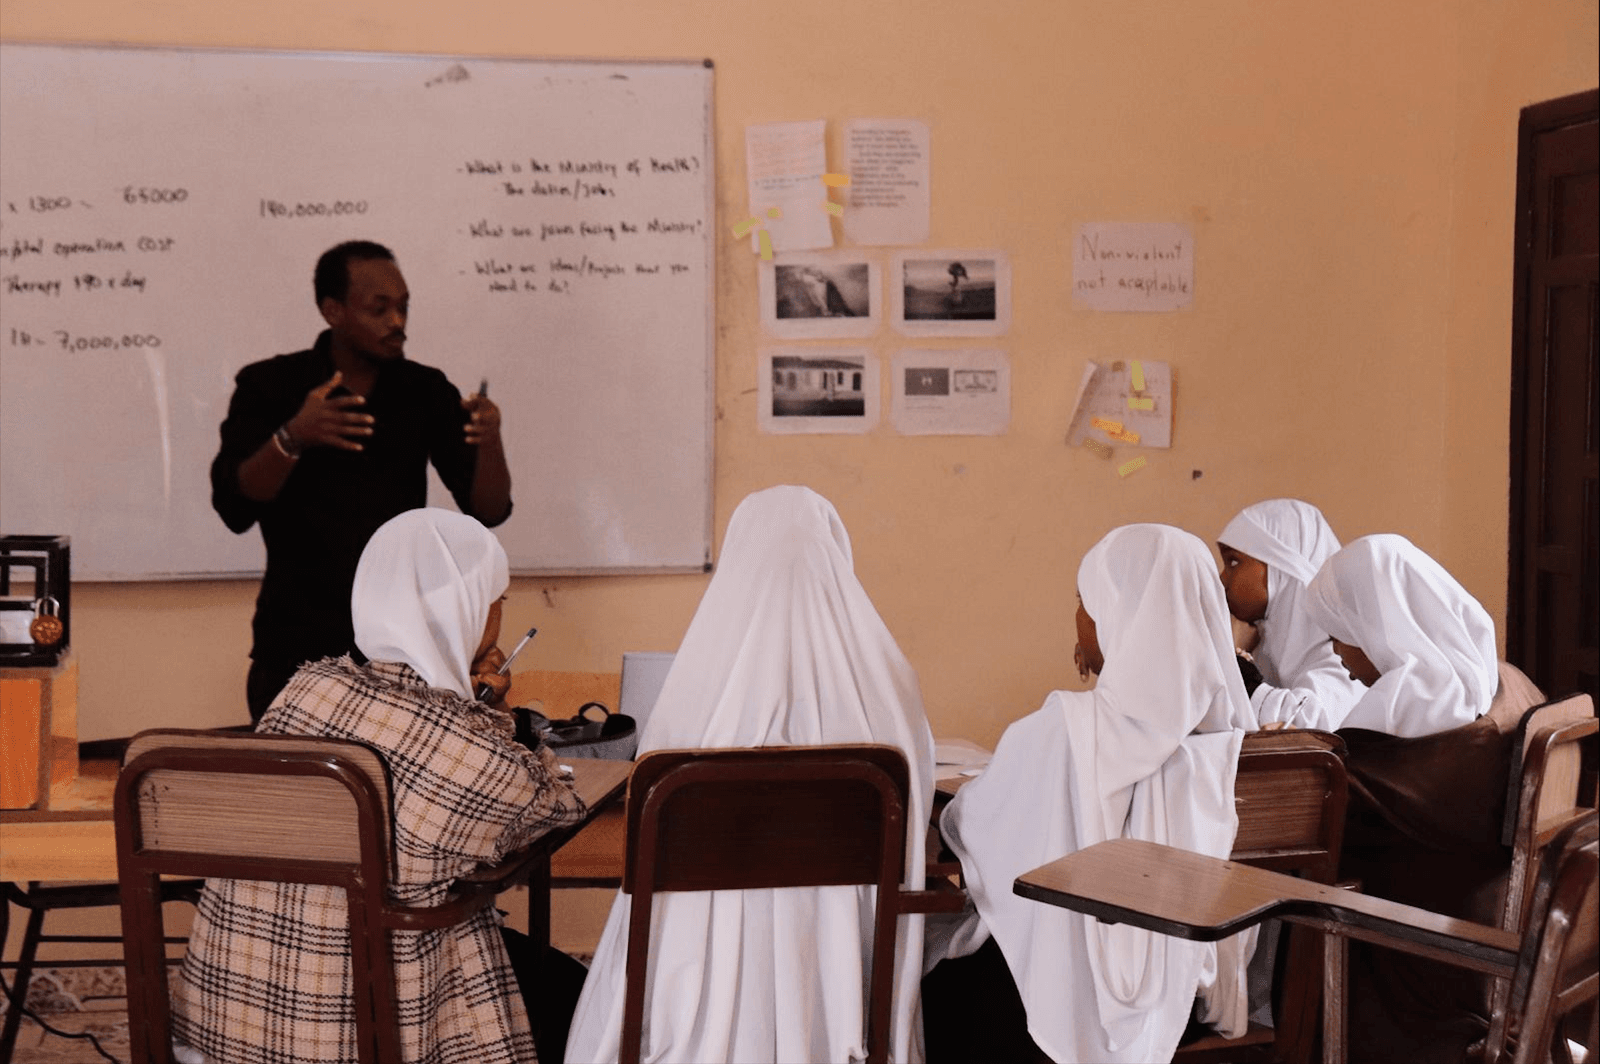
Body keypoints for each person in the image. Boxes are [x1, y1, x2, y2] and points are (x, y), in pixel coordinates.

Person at [171, 508, 584, 1064]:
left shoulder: (305, 689)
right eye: (498, 596)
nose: (502, 611)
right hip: (367, 1019)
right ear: (466, 607)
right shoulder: (469, 748)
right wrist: (497, 717)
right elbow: (556, 805)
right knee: (581, 1002)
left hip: (239, 1019)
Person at [564, 485, 936, 1064]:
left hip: (692, 988)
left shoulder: (690, 700)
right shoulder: (889, 687)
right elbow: (915, 808)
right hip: (840, 995)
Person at [925, 524, 1255, 1063]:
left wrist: (956, 813)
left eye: (1086, 601)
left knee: (930, 971)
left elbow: (980, 835)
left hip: (1048, 1002)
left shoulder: (1067, 728)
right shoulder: (1235, 740)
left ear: (1121, 612)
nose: (1080, 617)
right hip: (1189, 997)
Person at [211, 240, 513, 721]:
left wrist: (491, 438)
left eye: (404, 306)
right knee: (303, 793)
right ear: (333, 311)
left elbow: (489, 510)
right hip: (295, 646)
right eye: (379, 308)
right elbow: (233, 505)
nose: (397, 322)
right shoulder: (271, 385)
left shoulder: (425, 390)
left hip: (401, 655)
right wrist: (293, 436)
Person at [1302, 533, 1543, 1062]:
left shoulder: (1406, 723)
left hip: (1424, 954)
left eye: (1342, 635)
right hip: (1501, 922)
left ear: (1379, 626)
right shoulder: (1504, 681)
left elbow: (1333, 819)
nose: (1339, 656)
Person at [1216, 499, 1364, 731]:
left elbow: (1309, 727)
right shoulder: (1264, 649)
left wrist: (1234, 664)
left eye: (1233, 562)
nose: (1221, 579)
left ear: (1282, 568)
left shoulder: (1349, 655)